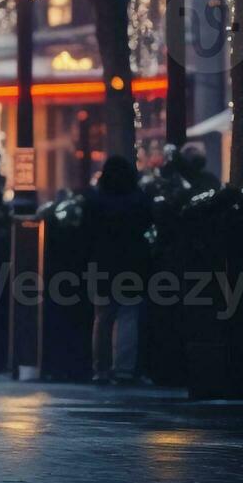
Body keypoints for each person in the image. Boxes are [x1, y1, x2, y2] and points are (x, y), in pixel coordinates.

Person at [83, 154, 154, 384]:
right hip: (132, 262)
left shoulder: (96, 200)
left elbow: (87, 229)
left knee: (102, 318)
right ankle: (124, 368)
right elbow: (148, 221)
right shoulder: (139, 199)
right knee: (129, 316)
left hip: (103, 261)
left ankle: (100, 369)